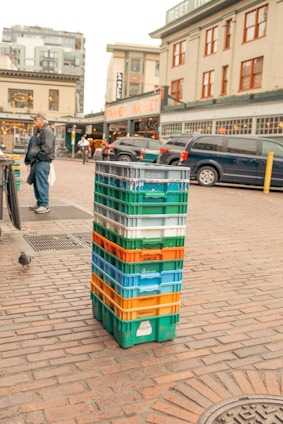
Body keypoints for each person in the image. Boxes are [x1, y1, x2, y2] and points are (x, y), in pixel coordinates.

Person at [25, 113, 55, 214]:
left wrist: (38, 157)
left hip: (42, 161)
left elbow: (47, 148)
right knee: (37, 183)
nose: (34, 121)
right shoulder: (39, 131)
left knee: (41, 183)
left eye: (35, 119)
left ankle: (44, 205)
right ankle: (40, 202)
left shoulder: (47, 131)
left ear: (42, 120)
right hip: (37, 161)